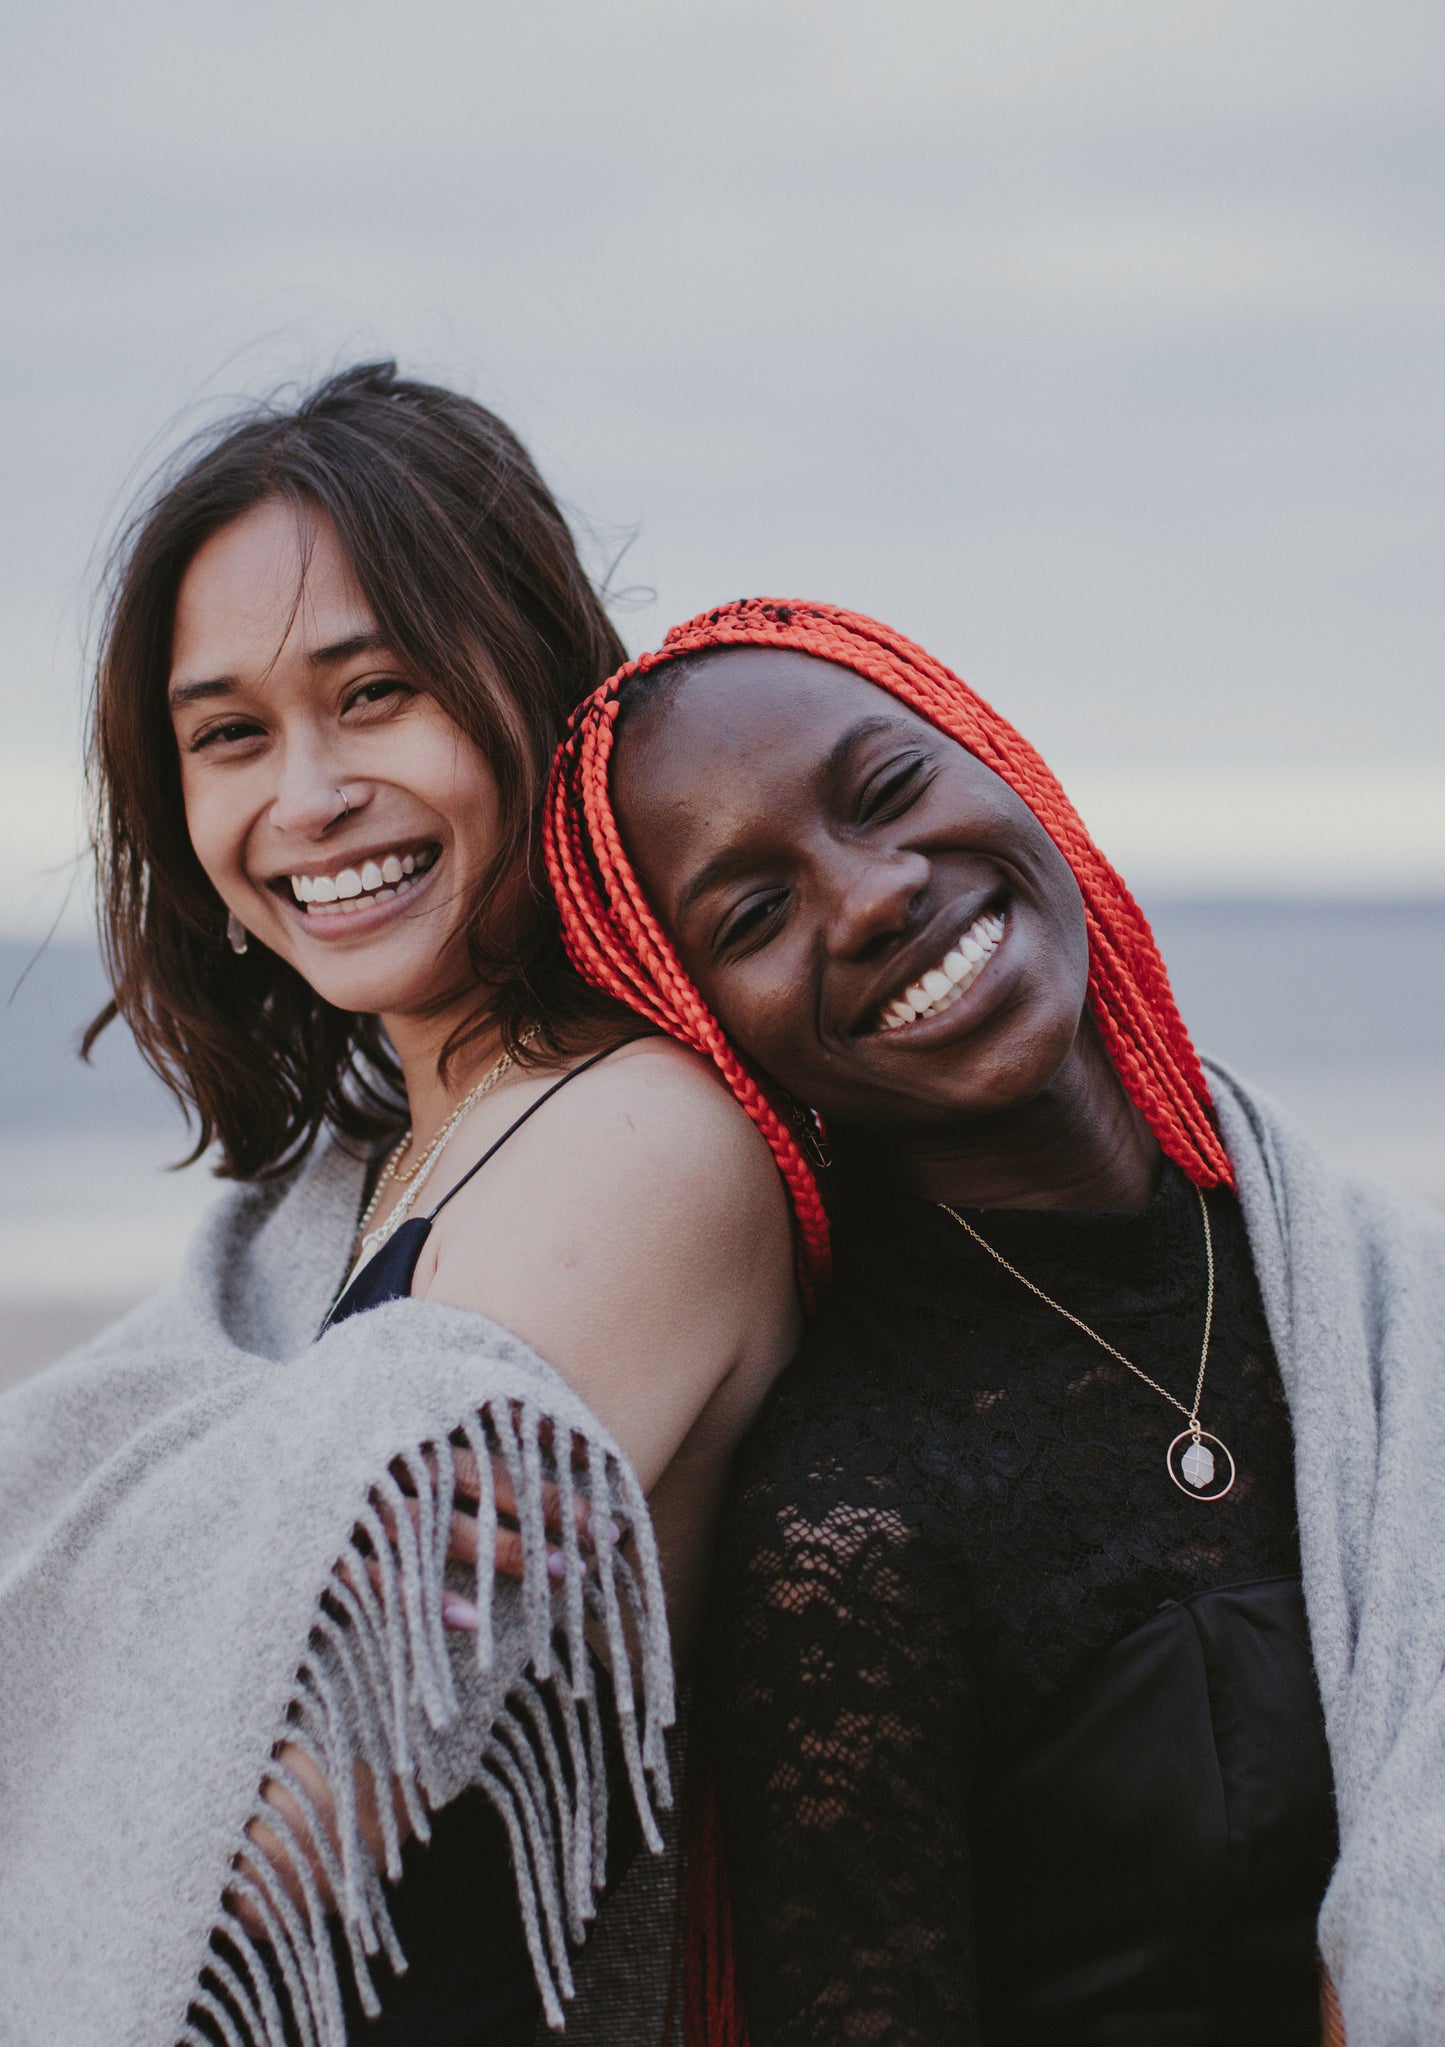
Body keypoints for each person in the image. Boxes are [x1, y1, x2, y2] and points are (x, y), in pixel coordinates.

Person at [546, 597, 1445, 2047]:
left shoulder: (1367, 1290)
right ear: (711, 1026)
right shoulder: (851, 1522)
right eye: (755, 914)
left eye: (888, 790)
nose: (875, 893)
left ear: (994, 758)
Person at [54, 371, 800, 2046]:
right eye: (231, 734)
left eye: (374, 692)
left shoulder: (638, 1148)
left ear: (532, 694)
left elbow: (291, 1829)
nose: (305, 798)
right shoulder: (350, 1184)